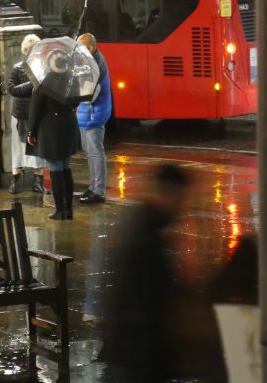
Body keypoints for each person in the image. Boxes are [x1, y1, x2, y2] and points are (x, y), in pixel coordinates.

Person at [99, 163, 190, 382]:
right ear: (168, 194)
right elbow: (150, 300)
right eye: (179, 200)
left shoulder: (140, 225)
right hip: (137, 357)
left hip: (131, 353)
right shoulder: (144, 239)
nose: (181, 208)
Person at [26, 73, 79, 220]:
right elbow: (76, 103)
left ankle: (59, 211)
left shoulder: (44, 81)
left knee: (55, 169)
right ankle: (68, 210)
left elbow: (35, 109)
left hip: (51, 128)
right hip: (69, 124)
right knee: (66, 168)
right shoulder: (72, 78)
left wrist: (31, 132)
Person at [7, 34, 49, 195]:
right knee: (18, 147)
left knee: (37, 148)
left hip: (38, 113)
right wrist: (31, 82)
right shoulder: (18, 68)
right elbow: (12, 89)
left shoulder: (45, 68)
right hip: (20, 113)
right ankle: (15, 180)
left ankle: (38, 182)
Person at [76, 32, 112, 205]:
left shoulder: (96, 65)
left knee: (95, 152)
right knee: (91, 152)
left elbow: (90, 96)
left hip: (93, 114)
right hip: (88, 114)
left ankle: (98, 191)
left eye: (80, 48)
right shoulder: (91, 60)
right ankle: (93, 187)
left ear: (90, 47)